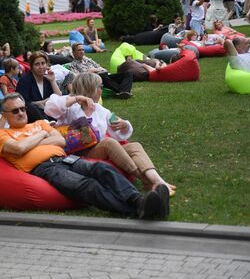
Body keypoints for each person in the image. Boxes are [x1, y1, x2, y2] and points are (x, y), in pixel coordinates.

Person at [0, 93, 170, 219]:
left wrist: (30, 144)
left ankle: (139, 199)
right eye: (15, 111)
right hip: (45, 168)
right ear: (5, 115)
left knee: (102, 168)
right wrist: (41, 136)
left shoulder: (39, 123)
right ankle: (138, 208)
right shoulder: (1, 134)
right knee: (87, 185)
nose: (21, 113)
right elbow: (18, 149)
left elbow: (60, 141)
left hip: (65, 159)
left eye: (23, 109)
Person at [45, 73, 176, 196]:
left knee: (134, 146)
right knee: (109, 143)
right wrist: (77, 98)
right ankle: (145, 179)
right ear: (91, 88)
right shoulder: (70, 105)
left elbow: (119, 132)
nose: (102, 89)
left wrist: (125, 125)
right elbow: (50, 108)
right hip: (76, 152)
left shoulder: (101, 110)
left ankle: (157, 179)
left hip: (96, 149)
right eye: (101, 86)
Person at [67, 43, 133, 99]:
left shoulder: (88, 60)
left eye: (82, 50)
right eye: (79, 50)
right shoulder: (72, 65)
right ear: (73, 52)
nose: (82, 51)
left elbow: (103, 69)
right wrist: (89, 72)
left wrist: (95, 70)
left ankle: (123, 92)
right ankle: (123, 91)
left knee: (128, 73)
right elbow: (77, 78)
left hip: (105, 76)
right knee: (102, 75)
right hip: (94, 80)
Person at [16, 51, 62, 122]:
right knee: (32, 107)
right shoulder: (24, 81)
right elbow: (23, 103)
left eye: (43, 63)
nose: (41, 67)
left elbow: (59, 97)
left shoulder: (47, 78)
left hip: (49, 112)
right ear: (31, 66)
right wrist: (43, 102)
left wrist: (52, 80)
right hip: (33, 116)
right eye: (37, 64)